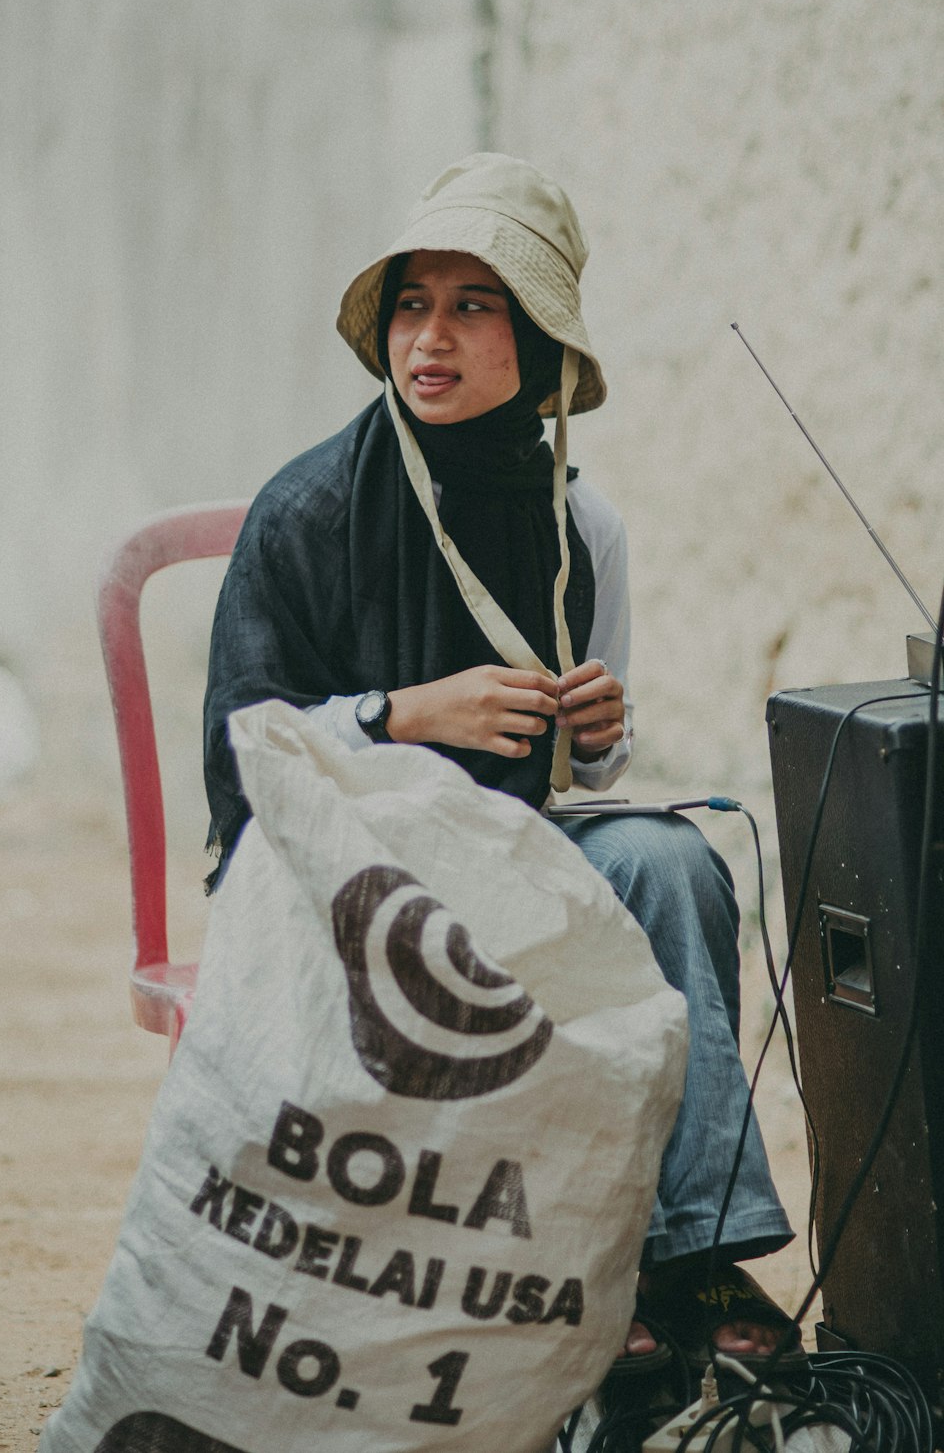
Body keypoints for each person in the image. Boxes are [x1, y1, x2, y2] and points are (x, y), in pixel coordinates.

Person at [202, 153, 802, 1375]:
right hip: (338, 875)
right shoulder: (306, 512)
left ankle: (688, 1250)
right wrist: (406, 714)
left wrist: (597, 732)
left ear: (537, 340)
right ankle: (550, 1288)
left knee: (672, 860)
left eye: (474, 306)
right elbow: (240, 762)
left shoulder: (580, 523)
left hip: (513, 856)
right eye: (414, 304)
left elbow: (587, 785)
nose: (431, 338)